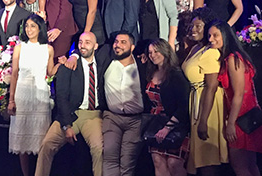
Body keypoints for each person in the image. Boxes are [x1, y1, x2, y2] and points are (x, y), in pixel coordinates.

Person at [35, 32, 105, 176]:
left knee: (99, 148)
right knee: (47, 145)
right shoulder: (69, 64)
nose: (83, 45)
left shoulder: (102, 61)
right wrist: (66, 125)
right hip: (69, 113)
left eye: (87, 42)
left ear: (96, 46)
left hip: (92, 115)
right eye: (80, 42)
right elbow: (61, 97)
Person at [204, 20, 262, 176]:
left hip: (242, 117)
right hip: (247, 115)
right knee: (250, 164)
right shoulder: (234, 56)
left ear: (225, 35)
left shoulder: (233, 58)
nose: (210, 39)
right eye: (209, 35)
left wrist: (230, 124)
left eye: (215, 35)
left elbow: (239, 93)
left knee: (239, 165)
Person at [181, 7, 227, 175]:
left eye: (199, 26)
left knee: (208, 159)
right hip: (196, 101)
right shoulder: (196, 48)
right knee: (200, 159)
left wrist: (203, 120)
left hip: (208, 105)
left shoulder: (211, 52)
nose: (194, 30)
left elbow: (212, 86)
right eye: (192, 26)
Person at [8, 14, 56, 176]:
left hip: (40, 95)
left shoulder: (48, 49)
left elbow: (50, 72)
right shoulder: (20, 47)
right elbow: (14, 73)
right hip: (22, 94)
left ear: (40, 28)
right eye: (27, 26)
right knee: (22, 140)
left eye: (33, 26)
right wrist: (11, 100)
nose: (29, 29)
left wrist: (64, 62)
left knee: (41, 138)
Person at [102, 31, 149, 176]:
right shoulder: (107, 61)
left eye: (123, 42)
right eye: (116, 42)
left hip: (135, 120)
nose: (118, 45)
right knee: (109, 157)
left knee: (128, 161)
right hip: (112, 118)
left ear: (132, 47)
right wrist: (74, 55)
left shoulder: (142, 65)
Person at [144, 39, 190, 176]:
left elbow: (184, 105)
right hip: (156, 123)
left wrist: (168, 127)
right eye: (150, 52)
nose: (153, 55)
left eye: (156, 51)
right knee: (158, 161)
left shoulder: (176, 74)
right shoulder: (150, 73)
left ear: (165, 51)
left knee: (174, 164)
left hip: (175, 123)